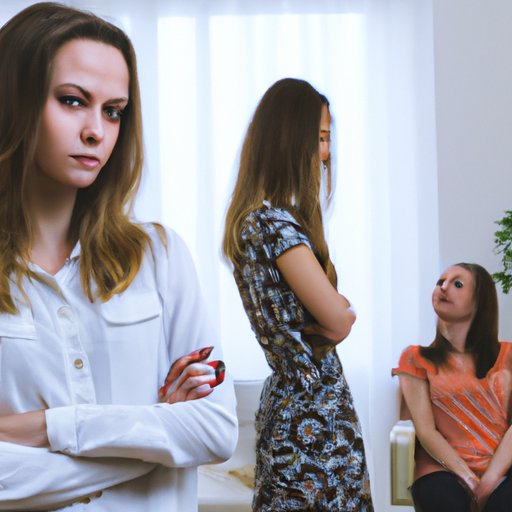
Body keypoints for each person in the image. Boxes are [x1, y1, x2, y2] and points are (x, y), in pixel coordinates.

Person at [0, 3, 237, 511]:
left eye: (113, 110)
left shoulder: (160, 257)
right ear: (13, 100)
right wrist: (154, 438)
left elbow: (214, 428)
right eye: (72, 101)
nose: (96, 131)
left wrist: (45, 427)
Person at [222, 78, 373, 511]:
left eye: (328, 140)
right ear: (292, 139)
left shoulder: (252, 223)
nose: (325, 153)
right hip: (312, 415)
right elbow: (338, 319)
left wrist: (338, 314)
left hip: (289, 405)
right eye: (320, 138)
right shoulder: (277, 226)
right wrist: (344, 312)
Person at [393, 263, 512, 512]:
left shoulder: (508, 354)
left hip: (503, 466)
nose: (444, 287)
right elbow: (426, 432)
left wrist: (489, 482)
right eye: (441, 282)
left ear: (479, 301)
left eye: (457, 284)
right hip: (442, 469)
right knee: (443, 500)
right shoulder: (415, 358)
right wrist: (468, 478)